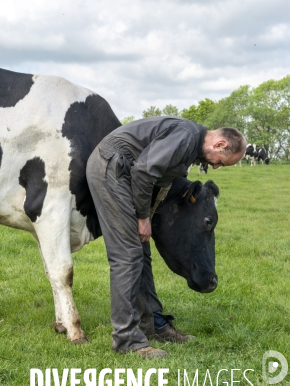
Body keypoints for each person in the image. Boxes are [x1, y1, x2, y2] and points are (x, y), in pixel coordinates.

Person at [86, 116, 246, 359]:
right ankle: (126, 339)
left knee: (140, 251)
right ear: (220, 144)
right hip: (112, 168)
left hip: (122, 170)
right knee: (127, 256)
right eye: (221, 162)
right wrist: (142, 217)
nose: (215, 167)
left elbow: (157, 178)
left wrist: (147, 215)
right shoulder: (186, 136)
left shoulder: (190, 144)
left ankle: (152, 326)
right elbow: (143, 170)